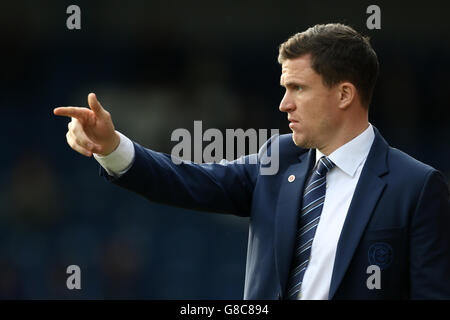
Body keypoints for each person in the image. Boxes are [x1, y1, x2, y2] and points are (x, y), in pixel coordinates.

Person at [54, 23, 450, 299]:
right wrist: (111, 146)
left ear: (344, 94)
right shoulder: (277, 158)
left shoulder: (416, 187)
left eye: (298, 88)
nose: (284, 104)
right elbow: (183, 180)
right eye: (284, 88)